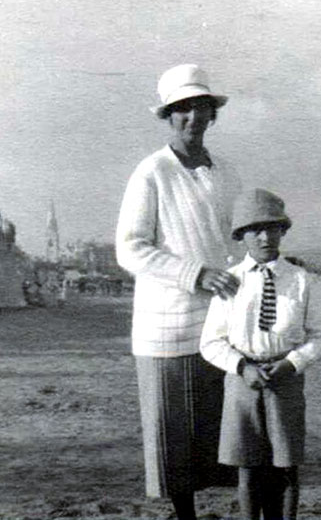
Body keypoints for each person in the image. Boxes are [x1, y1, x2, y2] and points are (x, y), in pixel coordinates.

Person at [115, 63, 242, 520]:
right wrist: (194, 273)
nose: (192, 117)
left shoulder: (225, 171)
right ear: (168, 117)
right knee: (174, 431)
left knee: (221, 426)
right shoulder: (151, 172)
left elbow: (237, 237)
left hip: (221, 317)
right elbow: (130, 249)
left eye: (200, 107)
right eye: (182, 109)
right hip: (166, 323)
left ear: (213, 114)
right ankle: (184, 515)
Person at [200, 189, 321, 520]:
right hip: (242, 384)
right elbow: (211, 342)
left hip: (286, 381)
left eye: (273, 228)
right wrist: (241, 367)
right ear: (241, 236)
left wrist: (292, 363)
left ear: (283, 231)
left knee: (286, 466)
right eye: (255, 230)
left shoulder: (299, 279)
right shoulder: (230, 281)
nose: (264, 237)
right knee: (248, 468)